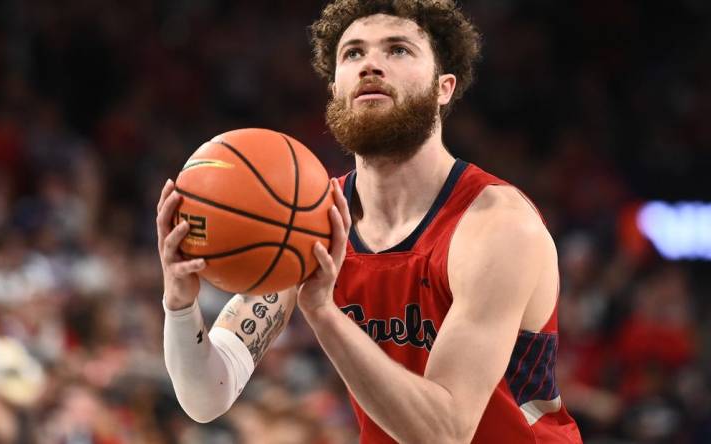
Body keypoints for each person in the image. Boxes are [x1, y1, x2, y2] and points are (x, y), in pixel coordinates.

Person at [158, 1, 582, 442]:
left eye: (397, 50)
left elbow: (446, 433)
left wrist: (323, 314)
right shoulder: (306, 221)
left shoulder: (498, 226)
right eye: (353, 53)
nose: (370, 65)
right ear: (334, 87)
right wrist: (180, 305)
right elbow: (207, 397)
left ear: (444, 87)